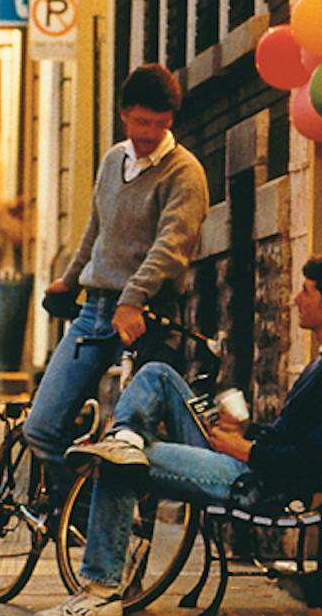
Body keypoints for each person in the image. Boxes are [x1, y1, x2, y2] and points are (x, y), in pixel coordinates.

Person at [36, 254, 322, 616]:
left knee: (116, 461)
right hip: (244, 464)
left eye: (306, 292)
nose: (295, 299)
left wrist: (247, 450)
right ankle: (127, 435)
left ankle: (100, 593)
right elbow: (288, 437)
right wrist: (245, 433)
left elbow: (311, 461)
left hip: (255, 483)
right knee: (158, 375)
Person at [18, 64, 209, 481]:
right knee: (42, 427)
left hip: (147, 317)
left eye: (159, 124)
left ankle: (101, 529)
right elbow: (96, 227)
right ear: (124, 114)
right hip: (95, 311)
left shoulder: (184, 173)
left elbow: (171, 247)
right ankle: (80, 517)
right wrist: (69, 279)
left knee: (124, 444)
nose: (148, 132)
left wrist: (133, 299)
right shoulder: (113, 160)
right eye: (141, 121)